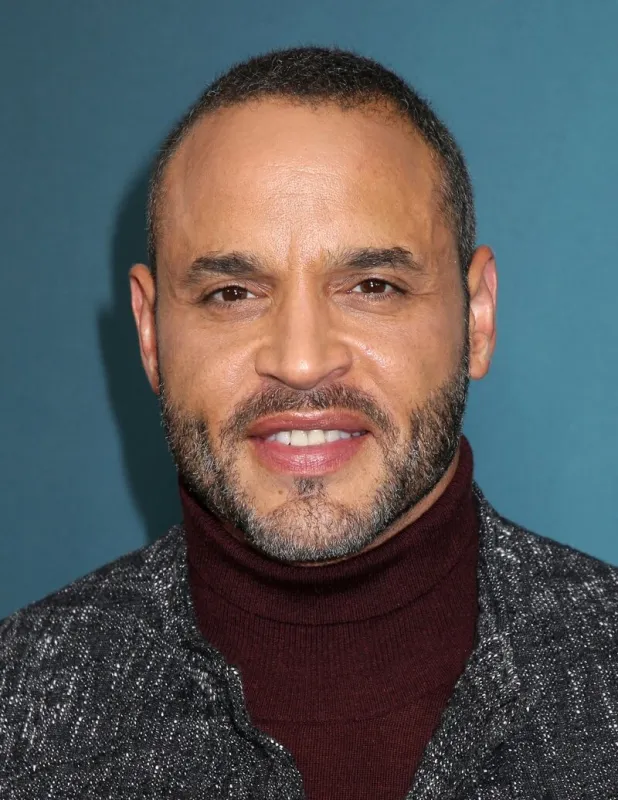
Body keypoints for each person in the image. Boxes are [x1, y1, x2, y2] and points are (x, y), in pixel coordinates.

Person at [1, 46, 617, 800]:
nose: (300, 361)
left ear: (478, 318)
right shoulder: (19, 709)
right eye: (232, 293)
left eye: (372, 285)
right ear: (150, 333)